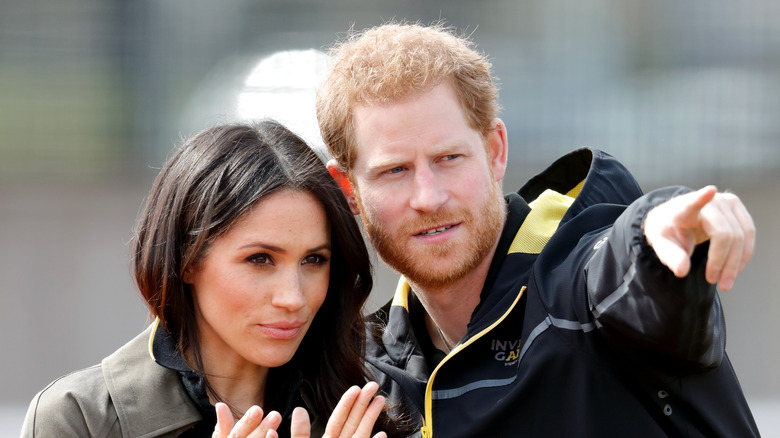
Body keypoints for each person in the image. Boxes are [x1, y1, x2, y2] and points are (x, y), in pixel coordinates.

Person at [316, 22, 760, 437]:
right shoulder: (362, 383)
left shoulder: (579, 285)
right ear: (348, 189)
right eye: (395, 171)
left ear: (495, 152)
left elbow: (624, 266)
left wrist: (658, 230)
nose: (429, 197)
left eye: (449, 159)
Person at [21, 121, 396, 438]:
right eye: (260, 259)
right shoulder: (80, 419)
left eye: (314, 260)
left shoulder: (370, 404)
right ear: (186, 260)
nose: (293, 298)